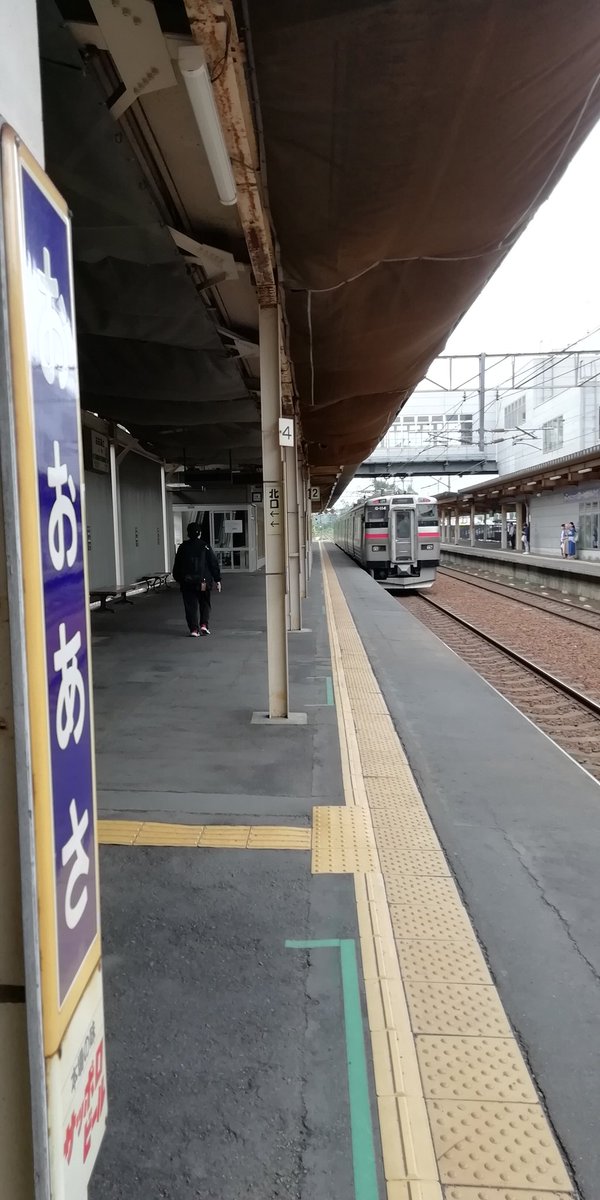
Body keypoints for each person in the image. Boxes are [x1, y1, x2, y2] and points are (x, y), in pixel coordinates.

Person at [172, 523, 222, 636]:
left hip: (187, 583)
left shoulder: (183, 547)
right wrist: (217, 579)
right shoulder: (205, 546)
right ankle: (204, 625)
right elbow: (213, 564)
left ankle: (194, 629)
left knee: (190, 606)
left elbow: (177, 565)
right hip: (203, 582)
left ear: (188, 533)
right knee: (204, 603)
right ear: (199, 533)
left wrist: (179, 579)